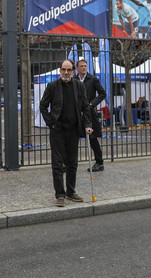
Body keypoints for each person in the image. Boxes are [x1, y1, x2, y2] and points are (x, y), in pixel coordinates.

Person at [39, 59, 93, 207]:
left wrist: (87, 124)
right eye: (64, 69)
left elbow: (85, 107)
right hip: (58, 130)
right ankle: (60, 194)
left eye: (69, 70)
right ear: (60, 70)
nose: (66, 72)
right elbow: (43, 106)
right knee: (57, 164)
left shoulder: (79, 86)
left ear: (74, 71)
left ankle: (70, 191)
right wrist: (51, 122)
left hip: (73, 130)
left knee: (72, 163)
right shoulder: (52, 86)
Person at [75, 59, 107, 172]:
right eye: (81, 66)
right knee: (72, 138)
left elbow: (103, 93)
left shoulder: (93, 79)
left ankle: (99, 162)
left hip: (89, 113)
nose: (84, 68)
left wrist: (92, 103)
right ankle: (69, 163)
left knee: (92, 139)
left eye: (85, 66)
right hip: (76, 113)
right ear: (77, 68)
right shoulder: (73, 79)